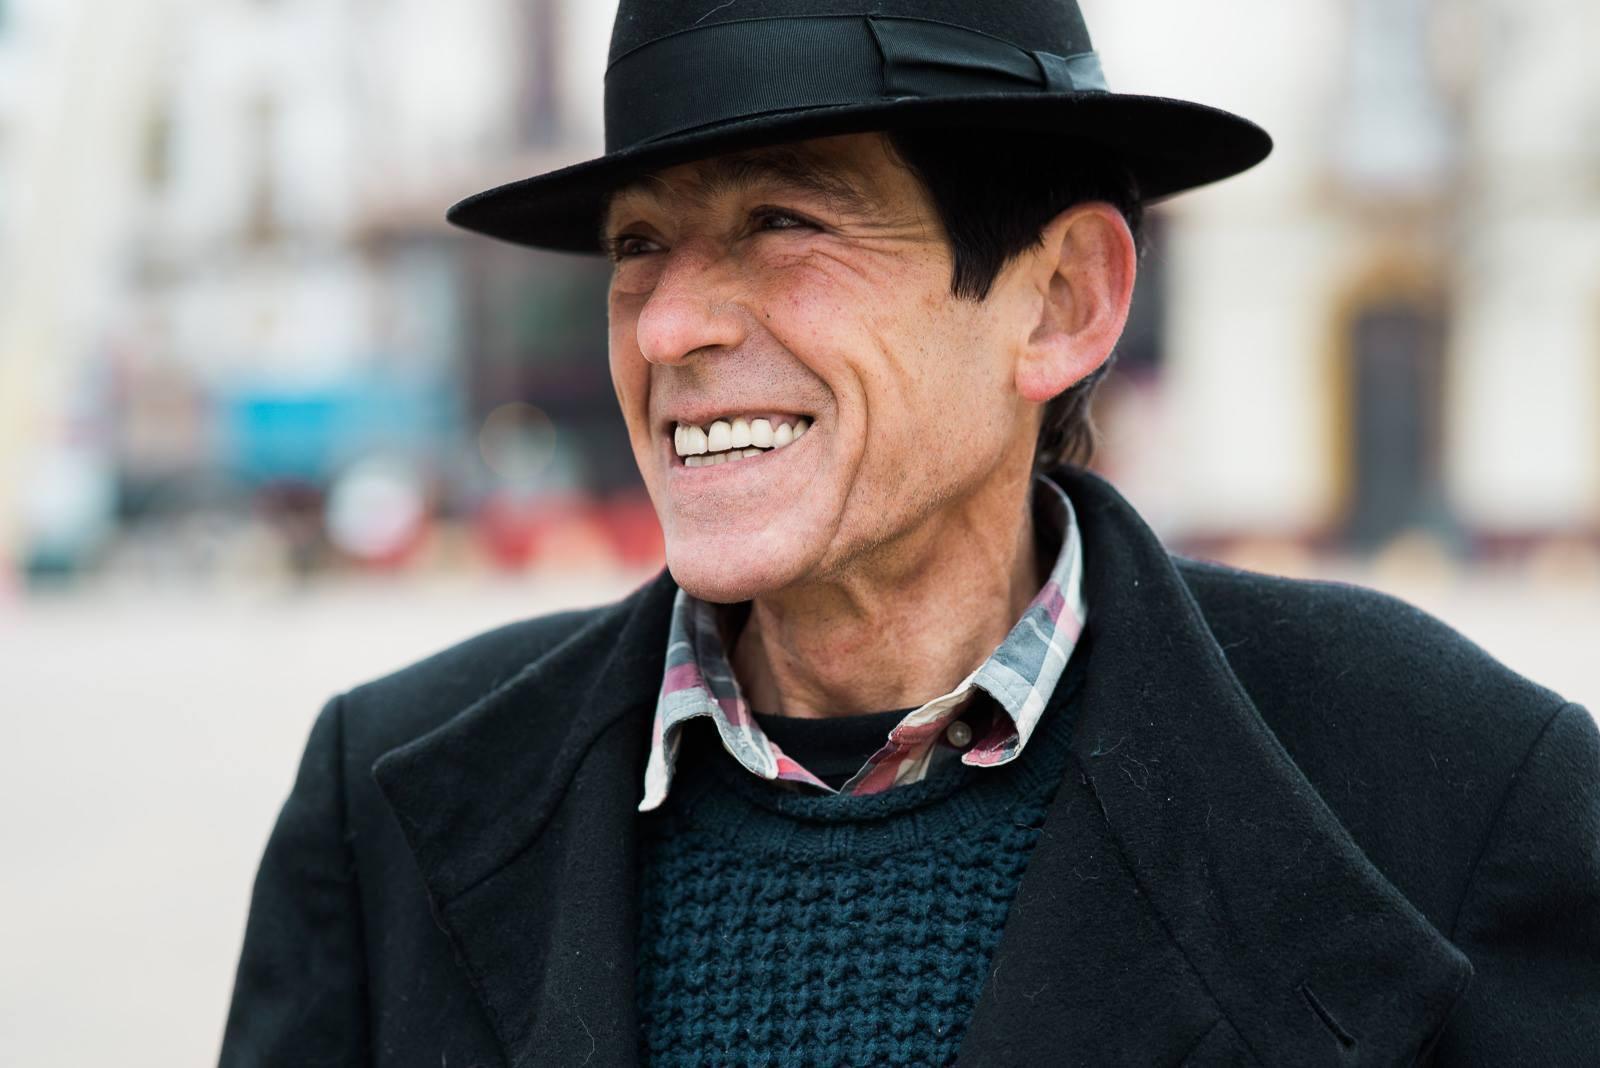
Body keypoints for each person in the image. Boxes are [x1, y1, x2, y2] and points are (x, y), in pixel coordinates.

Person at [220, 2, 1600, 1065]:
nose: (666, 326)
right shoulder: (384, 807)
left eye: (782, 221)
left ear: (1061, 302)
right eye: (639, 244)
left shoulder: (1460, 794)